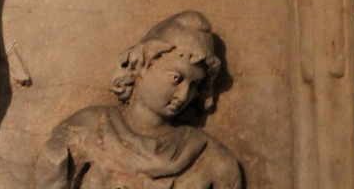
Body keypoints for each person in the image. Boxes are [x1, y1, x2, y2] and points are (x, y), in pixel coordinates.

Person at [35, 11, 242, 189]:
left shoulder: (210, 157)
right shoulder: (87, 130)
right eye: (176, 78)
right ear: (144, 65)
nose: (183, 95)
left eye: (194, 85)